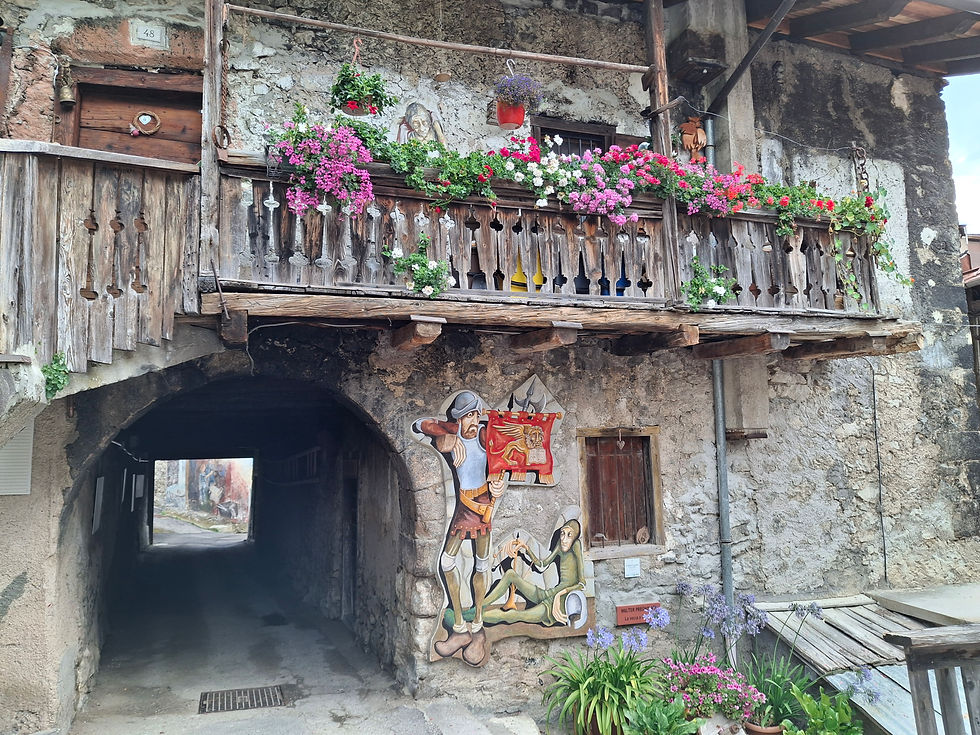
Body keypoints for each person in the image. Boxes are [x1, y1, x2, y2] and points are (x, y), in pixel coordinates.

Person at [414, 390, 505, 666]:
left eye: (477, 414)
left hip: (483, 505)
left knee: (480, 565)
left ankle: (477, 623)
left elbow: (507, 455)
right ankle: (460, 627)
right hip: (463, 507)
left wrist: (501, 484)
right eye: (469, 415)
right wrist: (452, 438)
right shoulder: (453, 434)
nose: (474, 420)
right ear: (459, 418)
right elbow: (419, 426)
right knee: (447, 561)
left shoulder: (484, 435)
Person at [482, 519, 585, 626]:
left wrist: (559, 595)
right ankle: (478, 608)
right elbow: (542, 564)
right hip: (551, 594)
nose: (564, 539)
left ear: (575, 538)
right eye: (562, 534)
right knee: (510, 574)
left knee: (514, 615)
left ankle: (477, 617)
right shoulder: (560, 544)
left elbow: (582, 584)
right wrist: (525, 548)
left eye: (569, 535)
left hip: (562, 603)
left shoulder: (576, 545)